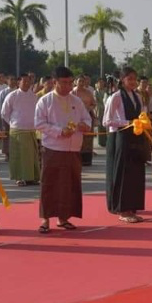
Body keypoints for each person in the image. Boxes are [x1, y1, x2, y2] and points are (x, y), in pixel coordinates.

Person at [34, 66, 91, 233]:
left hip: (73, 149)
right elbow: (39, 123)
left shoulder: (76, 101)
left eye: (69, 83)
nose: (67, 86)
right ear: (54, 82)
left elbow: (87, 119)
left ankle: (63, 217)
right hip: (53, 147)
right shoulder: (45, 100)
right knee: (50, 183)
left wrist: (84, 125)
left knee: (69, 184)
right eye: (64, 83)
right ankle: (45, 219)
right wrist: (59, 131)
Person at [104, 66, 148, 223]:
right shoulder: (115, 97)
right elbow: (106, 121)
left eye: (134, 79)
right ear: (122, 80)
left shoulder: (138, 97)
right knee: (123, 174)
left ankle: (132, 208)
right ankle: (122, 209)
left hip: (136, 137)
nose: (133, 82)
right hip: (121, 137)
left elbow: (142, 114)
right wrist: (127, 123)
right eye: (129, 79)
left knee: (135, 174)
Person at [1, 72, 40, 186]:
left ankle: (32, 178)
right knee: (19, 156)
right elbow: (4, 113)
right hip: (17, 130)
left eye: (29, 81)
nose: (27, 83)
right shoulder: (12, 96)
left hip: (31, 129)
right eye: (24, 81)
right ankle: (19, 178)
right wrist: (13, 123)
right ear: (19, 82)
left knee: (31, 155)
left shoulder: (34, 96)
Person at [0, 74, 18, 160]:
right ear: (7, 81)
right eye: (11, 79)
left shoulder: (18, 92)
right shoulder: (3, 93)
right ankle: (7, 154)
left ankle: (15, 153)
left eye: (14, 80)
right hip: (5, 118)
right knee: (6, 136)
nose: (12, 81)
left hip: (16, 119)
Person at [94, 78, 108, 147]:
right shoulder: (95, 92)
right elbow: (96, 102)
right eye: (100, 83)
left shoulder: (106, 91)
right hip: (99, 110)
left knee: (105, 126)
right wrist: (103, 107)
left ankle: (105, 141)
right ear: (97, 84)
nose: (101, 84)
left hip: (106, 110)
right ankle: (100, 141)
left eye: (102, 82)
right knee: (100, 127)